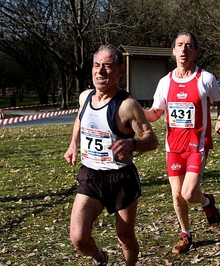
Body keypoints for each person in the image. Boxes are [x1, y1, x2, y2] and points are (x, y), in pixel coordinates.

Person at [64, 44, 158, 266]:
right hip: (90, 176)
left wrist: (132, 144)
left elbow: (152, 140)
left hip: (121, 178)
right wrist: (73, 144)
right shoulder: (85, 97)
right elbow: (80, 119)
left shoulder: (127, 105)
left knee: (125, 237)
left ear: (119, 71)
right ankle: (100, 258)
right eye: (97, 66)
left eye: (107, 66)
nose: (100, 71)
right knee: (78, 238)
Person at [144, 31, 220, 254]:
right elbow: (155, 113)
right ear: (173, 51)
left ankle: (207, 202)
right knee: (176, 194)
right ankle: (186, 234)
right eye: (179, 45)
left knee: (189, 193)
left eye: (189, 46)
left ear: (196, 52)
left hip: (196, 146)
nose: (183, 49)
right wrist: (136, 113)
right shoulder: (165, 82)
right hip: (173, 147)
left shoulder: (206, 79)